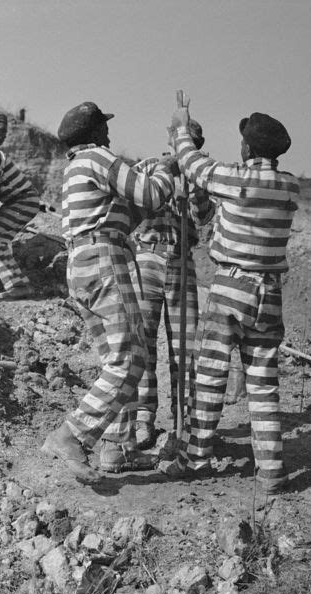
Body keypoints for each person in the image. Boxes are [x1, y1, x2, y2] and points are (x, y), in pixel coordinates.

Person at [161, 106, 300, 495]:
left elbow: (192, 163)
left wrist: (182, 127)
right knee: (263, 382)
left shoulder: (234, 178)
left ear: (246, 146)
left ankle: (193, 458)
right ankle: (271, 470)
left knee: (210, 378)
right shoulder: (290, 186)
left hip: (231, 289)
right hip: (269, 294)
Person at [42, 101, 176, 482]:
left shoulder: (76, 168)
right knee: (131, 359)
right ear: (94, 134)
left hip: (83, 264)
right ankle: (71, 435)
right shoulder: (98, 158)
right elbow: (150, 196)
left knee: (115, 360)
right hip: (105, 261)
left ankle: (117, 447)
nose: (109, 134)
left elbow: (127, 215)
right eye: (104, 127)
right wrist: (165, 172)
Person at [131, 119, 214, 448]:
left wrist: (194, 182)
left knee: (185, 345)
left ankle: (183, 420)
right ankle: (142, 418)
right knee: (143, 342)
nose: (183, 145)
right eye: (180, 139)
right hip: (148, 256)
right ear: (170, 139)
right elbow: (137, 202)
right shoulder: (149, 167)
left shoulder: (201, 175)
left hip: (181, 261)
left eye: (190, 141)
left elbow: (202, 216)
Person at [0, 109, 39, 299]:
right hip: (15, 202)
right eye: (1, 132)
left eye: (6, 134)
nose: (4, 137)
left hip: (23, 201)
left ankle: (19, 284)